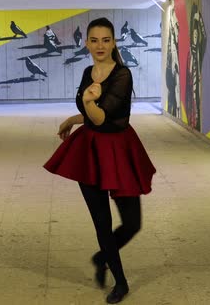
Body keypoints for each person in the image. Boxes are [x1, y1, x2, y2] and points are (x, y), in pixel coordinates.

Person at [43, 17, 156, 304]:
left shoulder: (122, 74)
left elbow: (103, 117)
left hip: (119, 151)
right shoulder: (86, 71)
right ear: (87, 43)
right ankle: (120, 282)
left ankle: (101, 255)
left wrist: (90, 102)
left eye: (106, 40)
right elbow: (92, 119)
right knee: (102, 223)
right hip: (89, 151)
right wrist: (73, 117)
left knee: (132, 223)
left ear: (114, 42)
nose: (100, 45)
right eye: (94, 40)